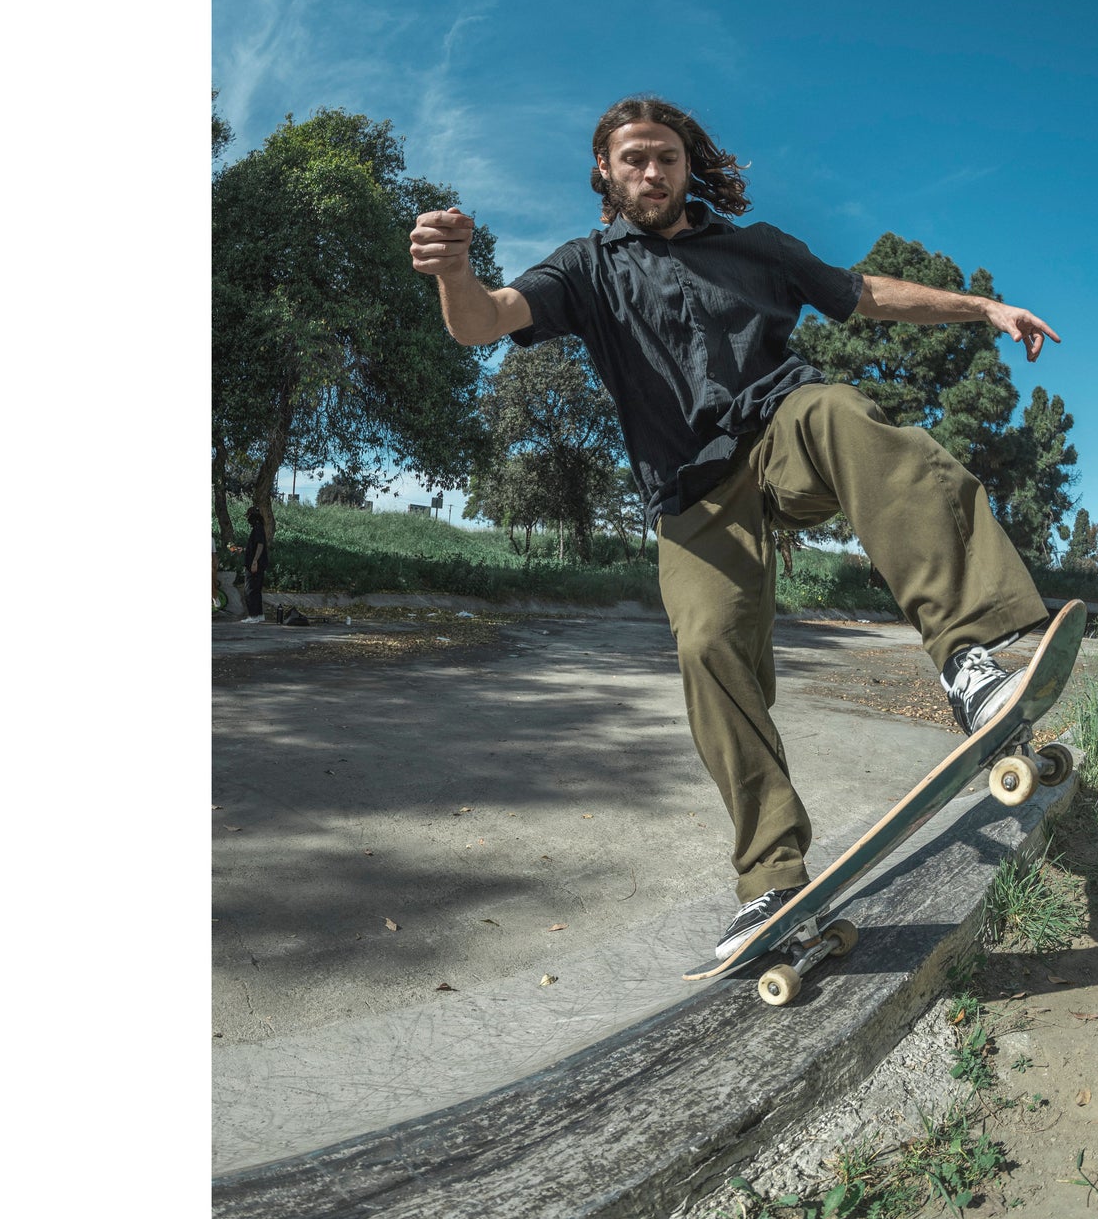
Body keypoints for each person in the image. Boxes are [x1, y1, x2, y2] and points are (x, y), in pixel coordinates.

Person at [410, 95, 1062, 962]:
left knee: (839, 411)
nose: (651, 172)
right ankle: (772, 877)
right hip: (691, 490)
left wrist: (981, 309)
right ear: (604, 170)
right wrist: (454, 273)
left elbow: (865, 293)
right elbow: (485, 320)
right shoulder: (585, 269)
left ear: (688, 167)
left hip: (783, 435)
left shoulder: (758, 249)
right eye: (634, 159)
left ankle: (968, 661)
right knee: (708, 645)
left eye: (666, 158)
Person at [240, 506, 268, 625]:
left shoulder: (257, 528)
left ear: (252, 516)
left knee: (250, 590)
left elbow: (260, 545)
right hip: (257, 564)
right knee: (256, 590)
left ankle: (253, 615)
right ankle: (259, 615)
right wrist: (243, 550)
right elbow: (255, 546)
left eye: (248, 516)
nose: (247, 519)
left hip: (255, 565)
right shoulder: (259, 528)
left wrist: (255, 561)